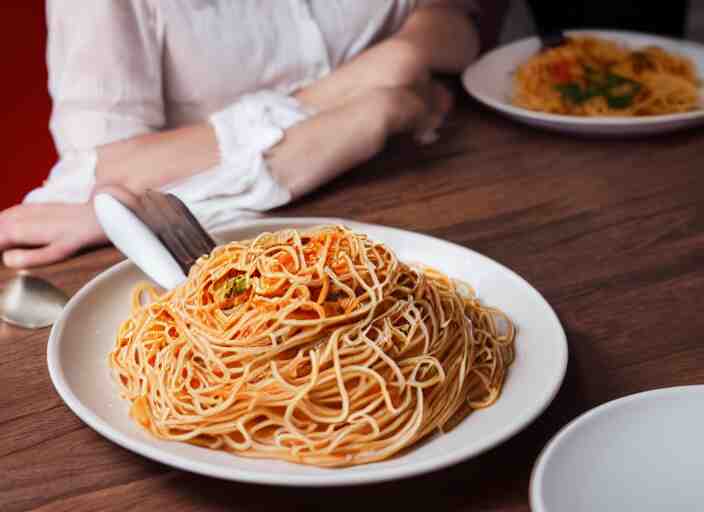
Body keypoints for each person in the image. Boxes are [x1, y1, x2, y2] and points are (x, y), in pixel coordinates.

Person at [0, 0, 499, 269]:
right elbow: (117, 169)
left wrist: (404, 55)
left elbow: (452, 25)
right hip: (226, 251)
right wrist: (362, 103)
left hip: (420, 191)